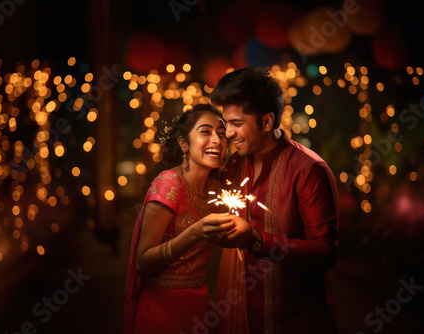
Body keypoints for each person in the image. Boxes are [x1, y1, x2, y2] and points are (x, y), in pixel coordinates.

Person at [210, 66, 339, 334]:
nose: (229, 134)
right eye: (226, 124)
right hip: (240, 315)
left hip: (295, 320)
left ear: (266, 122)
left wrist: (257, 240)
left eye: (237, 124)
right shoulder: (234, 163)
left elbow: (325, 253)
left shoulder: (308, 170)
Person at [123, 104, 237, 334]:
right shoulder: (169, 183)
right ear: (184, 143)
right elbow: (142, 262)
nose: (217, 139)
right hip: (162, 311)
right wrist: (195, 233)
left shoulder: (217, 188)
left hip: (201, 306)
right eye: (205, 132)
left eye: (222, 134)